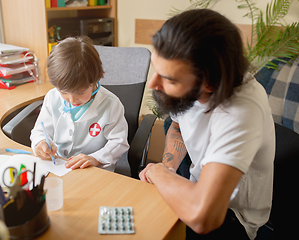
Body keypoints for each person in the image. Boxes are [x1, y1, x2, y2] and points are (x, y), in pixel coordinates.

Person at [139, 9, 274, 240]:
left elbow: (204, 217)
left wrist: (161, 174)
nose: (153, 83)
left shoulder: (240, 112)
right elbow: (177, 125)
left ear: (210, 83)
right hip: (195, 184)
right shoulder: (194, 85)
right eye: (155, 69)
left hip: (232, 216)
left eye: (168, 79)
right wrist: (169, 167)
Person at [30, 36, 129, 171]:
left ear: (97, 78)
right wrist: (40, 143)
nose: (72, 100)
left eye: (80, 92)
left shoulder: (111, 104)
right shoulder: (52, 97)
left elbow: (119, 142)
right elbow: (40, 131)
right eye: (63, 92)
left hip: (94, 169)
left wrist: (95, 158)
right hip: (59, 165)